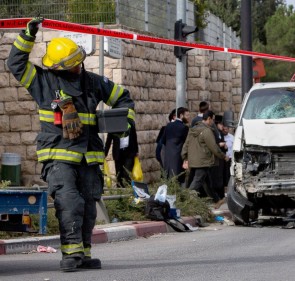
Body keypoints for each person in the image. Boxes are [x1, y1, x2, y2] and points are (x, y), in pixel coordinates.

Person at [7, 18, 135, 272]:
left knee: (89, 206)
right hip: (59, 157)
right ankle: (71, 253)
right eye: (74, 63)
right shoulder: (42, 82)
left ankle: (84, 253)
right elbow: (15, 64)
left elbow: (123, 99)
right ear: (61, 67)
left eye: (79, 61)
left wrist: (123, 122)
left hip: (89, 157)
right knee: (69, 202)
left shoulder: (94, 82)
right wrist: (27, 35)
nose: (79, 66)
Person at [181, 111, 229, 203]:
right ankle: (185, 199)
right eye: (213, 120)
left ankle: (216, 200)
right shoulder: (207, 131)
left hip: (193, 160)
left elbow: (186, 145)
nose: (213, 122)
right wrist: (223, 156)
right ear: (209, 119)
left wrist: (185, 158)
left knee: (207, 182)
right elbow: (213, 147)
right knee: (197, 181)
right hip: (203, 161)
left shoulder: (192, 129)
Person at [161, 107, 190, 185]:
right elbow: (187, 144)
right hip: (178, 158)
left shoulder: (168, 125)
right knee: (178, 181)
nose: (188, 118)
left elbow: (163, 141)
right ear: (181, 115)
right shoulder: (184, 128)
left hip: (168, 157)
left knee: (169, 180)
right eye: (187, 115)